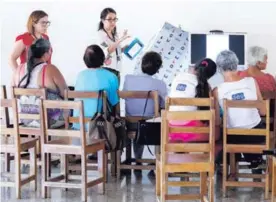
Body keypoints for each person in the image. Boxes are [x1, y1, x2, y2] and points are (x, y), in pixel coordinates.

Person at [214, 50, 266, 170]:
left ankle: (229, 165)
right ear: (237, 64)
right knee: (249, 129)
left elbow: (217, 121)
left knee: (226, 133)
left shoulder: (217, 89)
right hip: (257, 135)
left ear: (219, 68)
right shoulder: (251, 82)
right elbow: (264, 112)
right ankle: (254, 160)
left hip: (233, 137)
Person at [123, 51, 167, 167]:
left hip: (130, 124)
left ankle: (137, 160)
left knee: (136, 119)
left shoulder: (128, 79)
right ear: (158, 68)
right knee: (156, 119)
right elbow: (165, 105)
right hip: (150, 126)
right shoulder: (160, 84)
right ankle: (158, 162)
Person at [13, 38, 67, 128]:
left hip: (25, 120)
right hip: (50, 120)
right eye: (50, 51)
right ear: (46, 53)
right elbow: (66, 93)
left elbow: (14, 96)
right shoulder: (50, 69)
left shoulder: (19, 69)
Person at [169, 58, 220, 143]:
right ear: (209, 76)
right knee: (217, 131)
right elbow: (211, 117)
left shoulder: (177, 77)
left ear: (196, 66)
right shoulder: (205, 87)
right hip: (192, 132)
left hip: (171, 130)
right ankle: (209, 155)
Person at [73, 44, 119, 133]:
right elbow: (114, 103)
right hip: (100, 126)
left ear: (85, 60)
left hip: (79, 124)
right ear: (102, 58)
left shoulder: (80, 76)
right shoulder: (111, 76)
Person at [97, 7, 130, 79]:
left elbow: (115, 51)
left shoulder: (115, 35)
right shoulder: (100, 34)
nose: (113, 22)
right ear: (102, 20)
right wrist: (121, 39)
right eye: (109, 19)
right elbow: (107, 51)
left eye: (115, 19)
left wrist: (122, 49)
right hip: (106, 70)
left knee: (116, 90)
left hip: (117, 70)